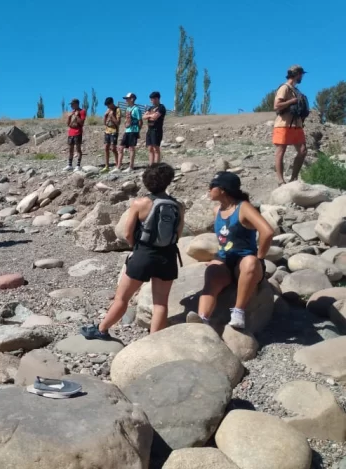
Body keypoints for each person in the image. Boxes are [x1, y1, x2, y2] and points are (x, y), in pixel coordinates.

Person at [80, 163, 184, 340]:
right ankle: (154, 341)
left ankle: (102, 329)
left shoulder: (140, 203)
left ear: (146, 181)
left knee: (122, 298)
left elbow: (127, 233)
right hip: (167, 256)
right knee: (160, 303)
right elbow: (178, 234)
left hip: (144, 253)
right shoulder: (178, 206)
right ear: (168, 182)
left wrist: (136, 247)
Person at [186, 172, 274, 329]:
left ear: (223, 190)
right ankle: (202, 321)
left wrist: (260, 258)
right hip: (226, 261)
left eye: (212, 186)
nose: (208, 190)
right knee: (212, 274)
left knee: (250, 262)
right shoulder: (216, 210)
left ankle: (238, 312)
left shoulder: (244, 207)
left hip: (245, 263)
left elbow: (267, 232)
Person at [273, 65, 308, 186]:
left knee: (303, 151)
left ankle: (293, 179)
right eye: (301, 74)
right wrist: (291, 102)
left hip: (296, 125)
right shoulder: (284, 88)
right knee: (280, 151)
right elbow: (276, 106)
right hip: (283, 124)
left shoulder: (296, 90)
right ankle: (280, 181)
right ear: (297, 74)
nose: (302, 76)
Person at [115, 93, 142, 173]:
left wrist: (137, 131)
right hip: (127, 130)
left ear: (132, 99)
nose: (126, 100)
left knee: (131, 148)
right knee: (120, 148)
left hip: (133, 130)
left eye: (127, 98)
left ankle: (131, 166)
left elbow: (140, 121)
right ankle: (118, 166)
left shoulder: (136, 109)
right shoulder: (128, 108)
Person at [143, 91, 166, 166]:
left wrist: (149, 115)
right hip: (149, 130)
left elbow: (155, 117)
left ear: (156, 99)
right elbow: (143, 117)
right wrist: (150, 115)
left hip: (157, 130)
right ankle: (151, 165)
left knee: (156, 148)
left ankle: (156, 166)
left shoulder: (161, 107)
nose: (151, 101)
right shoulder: (151, 108)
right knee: (150, 148)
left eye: (152, 99)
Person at [64, 98, 86, 172]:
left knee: (78, 149)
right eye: (71, 105)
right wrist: (69, 117)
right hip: (71, 132)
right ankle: (70, 165)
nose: (71, 106)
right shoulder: (72, 112)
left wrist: (77, 116)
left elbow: (82, 123)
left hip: (78, 132)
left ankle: (78, 165)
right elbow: (68, 124)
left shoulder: (82, 111)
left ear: (76, 104)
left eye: (73, 104)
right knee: (70, 149)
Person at [102, 97, 121, 172]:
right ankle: (107, 165)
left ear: (112, 103)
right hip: (107, 131)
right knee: (106, 147)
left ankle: (117, 164)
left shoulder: (117, 110)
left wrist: (112, 116)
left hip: (114, 131)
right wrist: (105, 116)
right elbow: (104, 123)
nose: (108, 107)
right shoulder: (108, 110)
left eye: (108, 105)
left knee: (113, 148)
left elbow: (118, 123)